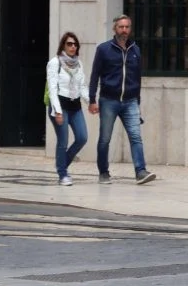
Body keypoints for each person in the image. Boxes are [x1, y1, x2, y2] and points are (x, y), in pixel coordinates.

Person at [88, 15, 155, 185]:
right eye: (121, 27)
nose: (124, 30)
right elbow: (95, 75)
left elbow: (137, 78)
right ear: (114, 29)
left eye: (127, 27)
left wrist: (138, 102)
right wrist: (92, 99)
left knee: (136, 137)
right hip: (108, 100)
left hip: (130, 101)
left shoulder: (135, 50)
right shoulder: (104, 49)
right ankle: (103, 173)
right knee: (105, 139)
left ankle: (140, 171)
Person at [47, 32, 90, 186]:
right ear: (63, 46)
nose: (72, 47)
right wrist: (57, 111)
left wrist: (90, 101)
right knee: (63, 141)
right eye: (69, 44)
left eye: (75, 44)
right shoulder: (55, 63)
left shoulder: (78, 64)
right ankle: (63, 174)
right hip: (60, 106)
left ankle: (61, 164)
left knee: (82, 137)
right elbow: (52, 89)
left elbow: (82, 86)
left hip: (75, 106)